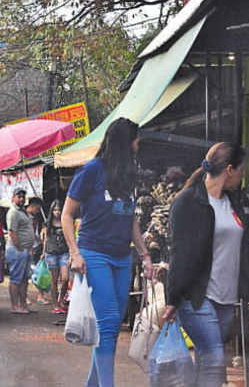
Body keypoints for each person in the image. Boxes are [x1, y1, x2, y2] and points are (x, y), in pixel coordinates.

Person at [162, 142, 249, 387]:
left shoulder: (233, 201)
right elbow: (180, 254)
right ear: (229, 169)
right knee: (215, 358)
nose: (241, 176)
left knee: (207, 360)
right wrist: (173, 299)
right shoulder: (188, 202)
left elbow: (245, 247)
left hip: (226, 299)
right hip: (196, 297)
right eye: (240, 170)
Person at [61, 117, 153, 387]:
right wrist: (75, 253)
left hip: (122, 258)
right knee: (111, 323)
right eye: (135, 140)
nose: (138, 146)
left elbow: (131, 219)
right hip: (94, 255)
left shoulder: (127, 176)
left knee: (110, 326)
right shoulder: (91, 170)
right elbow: (67, 215)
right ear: (125, 143)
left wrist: (145, 255)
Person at [5, 187, 36, 314]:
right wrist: (20, 248)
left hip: (26, 250)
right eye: (19, 196)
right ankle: (15, 305)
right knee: (16, 278)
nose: (21, 199)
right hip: (17, 249)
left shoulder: (24, 212)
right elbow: (12, 232)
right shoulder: (13, 212)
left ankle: (23, 304)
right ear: (13, 198)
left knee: (24, 279)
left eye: (23, 197)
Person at [41, 200, 69, 314]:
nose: (57, 212)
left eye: (59, 210)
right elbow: (45, 239)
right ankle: (55, 304)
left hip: (64, 252)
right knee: (54, 280)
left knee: (65, 278)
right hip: (51, 253)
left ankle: (61, 299)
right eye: (55, 210)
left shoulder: (65, 221)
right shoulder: (47, 223)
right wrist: (43, 252)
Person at [27, 197, 47, 305]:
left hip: (37, 247)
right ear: (32, 206)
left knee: (40, 272)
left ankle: (40, 296)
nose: (38, 211)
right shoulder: (25, 217)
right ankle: (24, 296)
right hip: (28, 248)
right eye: (37, 209)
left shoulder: (34, 219)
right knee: (26, 274)